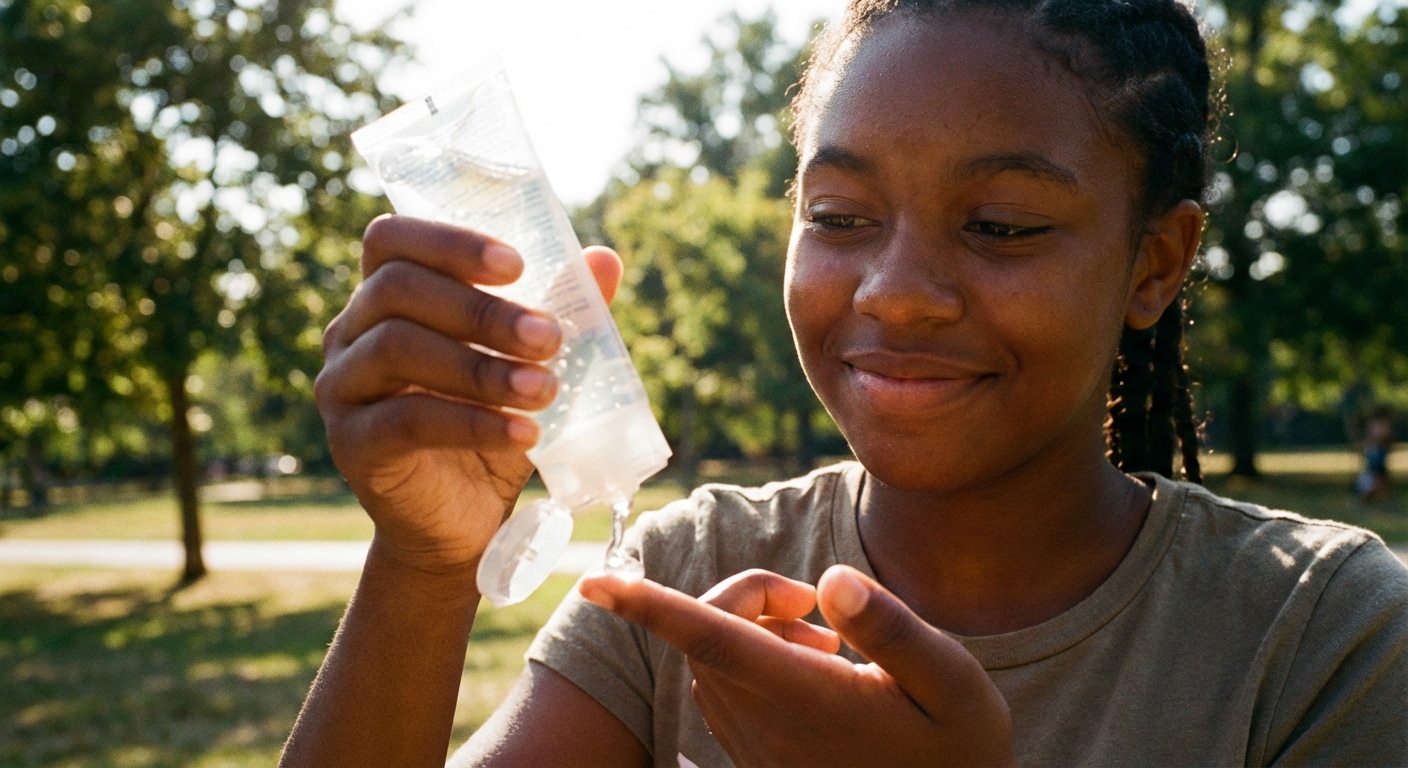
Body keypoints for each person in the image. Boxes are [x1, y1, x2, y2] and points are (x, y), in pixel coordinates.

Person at [281, 0, 1408, 764]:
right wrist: (423, 567)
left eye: (1001, 224)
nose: (895, 292)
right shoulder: (679, 580)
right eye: (838, 217)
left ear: (1154, 262)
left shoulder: (1320, 637)